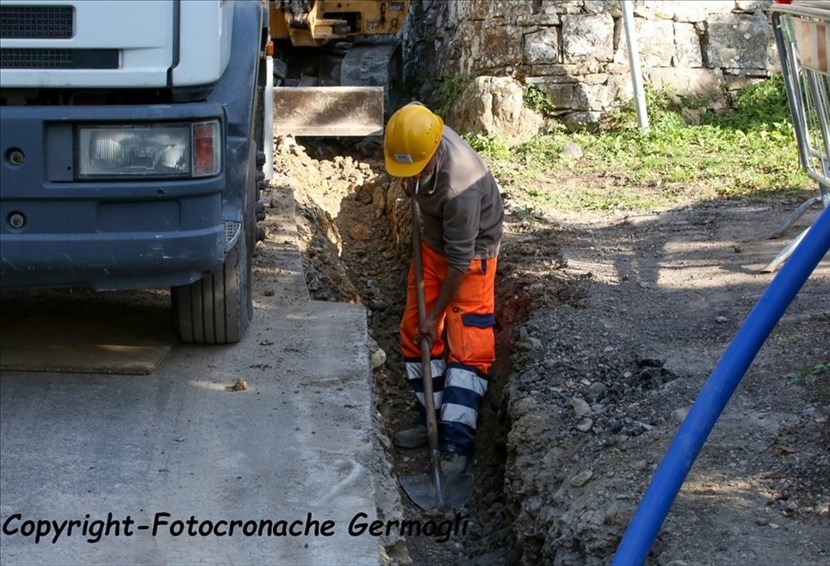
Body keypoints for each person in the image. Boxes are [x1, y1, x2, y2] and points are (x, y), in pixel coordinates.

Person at [383, 102, 504, 474]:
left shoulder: (460, 186)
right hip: (435, 246)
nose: (408, 179)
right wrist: (410, 182)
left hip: (470, 258)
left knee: (468, 345)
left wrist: (435, 314)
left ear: (434, 154)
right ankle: (429, 416)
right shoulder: (414, 137)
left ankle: (456, 441)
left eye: (414, 173)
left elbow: (459, 263)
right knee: (414, 330)